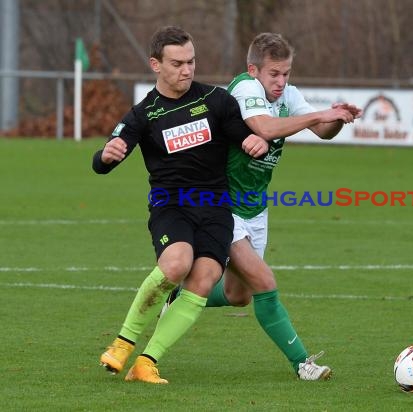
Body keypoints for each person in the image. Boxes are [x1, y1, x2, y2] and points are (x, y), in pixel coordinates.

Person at [166, 32, 361, 380]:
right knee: (264, 281)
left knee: (238, 294)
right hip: (220, 204)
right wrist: (319, 115)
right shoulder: (244, 88)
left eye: (286, 73)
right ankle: (303, 364)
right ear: (254, 69)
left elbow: (323, 132)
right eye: (274, 74)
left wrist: (337, 118)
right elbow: (264, 128)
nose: (281, 82)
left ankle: (179, 297)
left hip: (255, 206)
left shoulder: (289, 94)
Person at [95, 25, 269, 384]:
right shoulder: (143, 114)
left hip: (216, 207)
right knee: (176, 264)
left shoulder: (217, 101)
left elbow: (243, 136)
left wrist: (255, 143)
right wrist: (106, 155)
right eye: (177, 63)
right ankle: (123, 344)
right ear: (155, 64)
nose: (187, 70)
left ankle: (147, 362)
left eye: (191, 61)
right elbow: (102, 161)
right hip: (170, 205)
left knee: (205, 278)